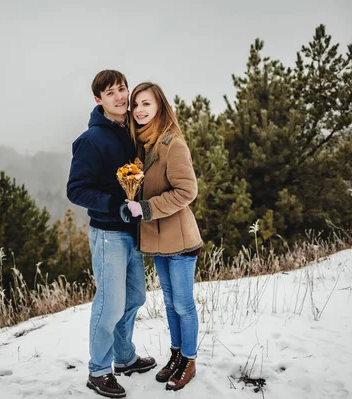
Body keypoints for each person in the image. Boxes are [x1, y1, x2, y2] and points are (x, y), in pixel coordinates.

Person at [66, 70, 157, 398]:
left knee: (135, 297)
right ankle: (99, 371)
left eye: (122, 89)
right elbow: (76, 190)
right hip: (108, 234)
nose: (120, 97)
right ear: (98, 100)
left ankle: (124, 357)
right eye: (111, 93)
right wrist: (113, 205)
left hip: (133, 231)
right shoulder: (92, 140)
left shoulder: (131, 131)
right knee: (109, 303)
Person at [125, 82, 203, 391]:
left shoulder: (173, 144)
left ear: (159, 107)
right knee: (169, 304)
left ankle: (190, 359)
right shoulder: (143, 147)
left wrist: (145, 208)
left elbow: (187, 191)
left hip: (180, 240)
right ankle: (175, 355)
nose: (140, 110)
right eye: (136, 105)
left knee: (183, 304)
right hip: (158, 240)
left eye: (147, 104)